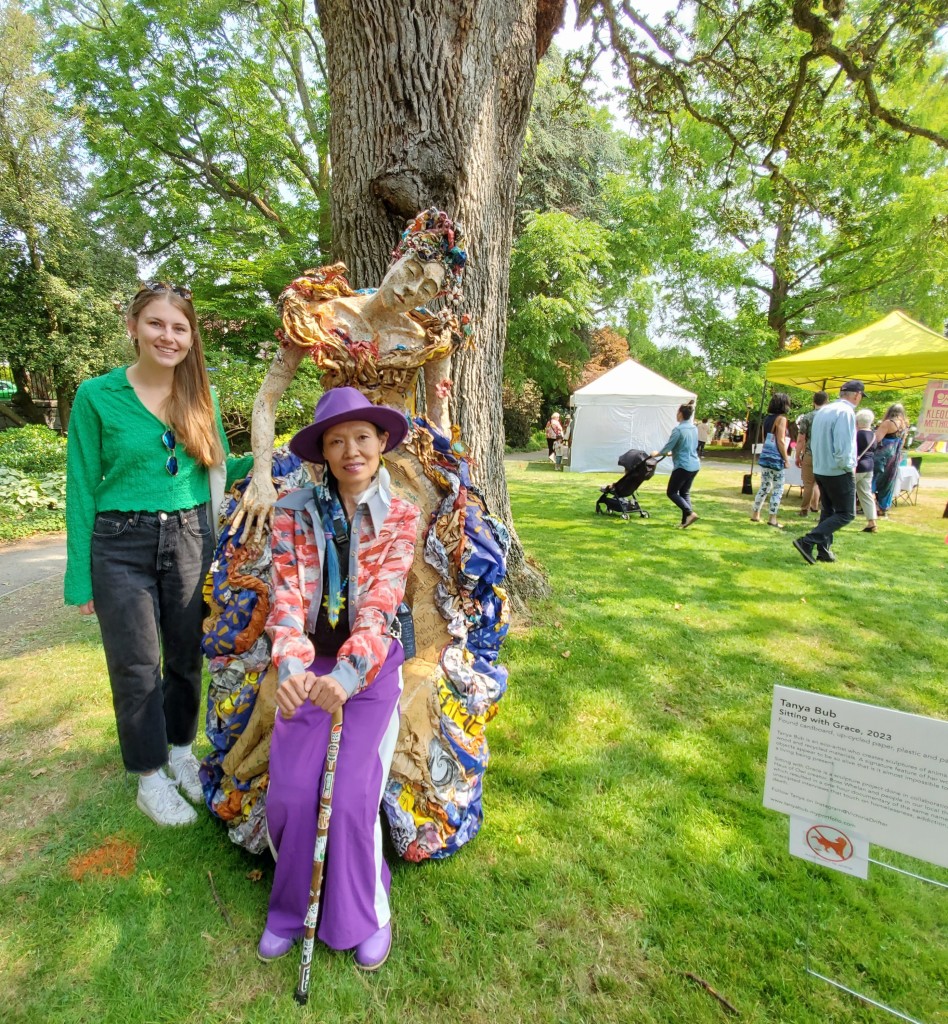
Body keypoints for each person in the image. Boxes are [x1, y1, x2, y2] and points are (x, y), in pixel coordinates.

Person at [64, 282, 252, 826]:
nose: (168, 336)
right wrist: (81, 581)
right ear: (134, 327)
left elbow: (218, 467)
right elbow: (81, 486)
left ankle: (180, 754)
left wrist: (272, 461)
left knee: (187, 656)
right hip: (120, 543)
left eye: (179, 327)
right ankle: (150, 777)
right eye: (157, 324)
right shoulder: (97, 396)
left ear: (191, 338)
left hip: (193, 536)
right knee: (136, 664)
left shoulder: (199, 395)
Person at [258, 387, 420, 971]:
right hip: (308, 662)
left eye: (361, 437)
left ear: (381, 443)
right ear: (322, 451)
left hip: (371, 665)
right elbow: (286, 594)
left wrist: (349, 675)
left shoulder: (400, 514)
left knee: (350, 796)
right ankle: (288, 912)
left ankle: (366, 914)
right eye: (335, 440)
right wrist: (295, 667)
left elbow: (381, 603)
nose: (350, 450)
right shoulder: (292, 510)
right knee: (293, 791)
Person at [792, 380, 864, 565]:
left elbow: (813, 441)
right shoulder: (845, 412)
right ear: (857, 395)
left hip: (821, 467)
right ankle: (807, 541)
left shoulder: (824, 410)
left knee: (829, 511)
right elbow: (843, 445)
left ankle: (824, 550)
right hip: (837, 469)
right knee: (846, 513)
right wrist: (848, 467)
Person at [652, 404, 700, 528]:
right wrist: (673, 453)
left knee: (671, 492)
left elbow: (668, 446)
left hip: (683, 466)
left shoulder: (678, 430)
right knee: (684, 493)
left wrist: (657, 453)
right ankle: (685, 521)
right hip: (694, 464)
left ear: (680, 414)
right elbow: (689, 446)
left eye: (677, 412)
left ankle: (690, 513)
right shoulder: (694, 428)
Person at [749, 393, 791, 528]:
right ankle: (772, 518)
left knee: (764, 486)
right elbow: (781, 440)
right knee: (778, 488)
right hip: (776, 458)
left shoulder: (767, 419)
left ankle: (756, 513)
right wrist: (786, 459)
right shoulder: (781, 419)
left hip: (765, 456)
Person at [871, 402, 910, 517]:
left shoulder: (888, 423)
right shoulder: (904, 425)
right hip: (894, 457)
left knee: (872, 480)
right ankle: (884, 507)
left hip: (882, 457)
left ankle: (873, 507)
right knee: (888, 482)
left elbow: (876, 439)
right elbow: (902, 443)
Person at [795, 391, 828, 516]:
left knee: (808, 483)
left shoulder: (808, 417)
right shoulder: (830, 417)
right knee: (820, 483)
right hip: (825, 455)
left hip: (810, 453)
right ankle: (815, 506)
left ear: (814, 402)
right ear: (827, 401)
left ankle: (804, 509)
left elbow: (801, 439)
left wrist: (797, 455)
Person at [854, 408, 878, 533]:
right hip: (869, 466)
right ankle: (872, 521)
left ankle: (838, 516)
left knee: (844, 492)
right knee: (866, 494)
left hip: (857, 467)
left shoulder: (856, 435)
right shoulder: (873, 435)